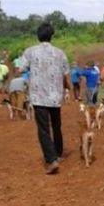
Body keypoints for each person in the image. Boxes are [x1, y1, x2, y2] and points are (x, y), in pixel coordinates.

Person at [18, 23, 71, 174]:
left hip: (38, 96)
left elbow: (20, 69)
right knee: (56, 125)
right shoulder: (60, 53)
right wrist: (69, 89)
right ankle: (58, 153)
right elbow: (66, 74)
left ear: (38, 36)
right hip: (55, 96)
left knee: (43, 129)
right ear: (51, 35)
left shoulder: (30, 52)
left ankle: (51, 159)